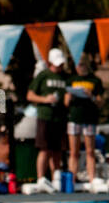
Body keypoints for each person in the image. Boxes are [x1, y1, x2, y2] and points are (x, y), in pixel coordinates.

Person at [27, 48, 68, 185]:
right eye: (57, 64)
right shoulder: (43, 76)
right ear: (50, 62)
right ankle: (41, 178)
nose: (60, 67)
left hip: (60, 118)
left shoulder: (65, 77)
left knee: (57, 150)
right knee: (45, 149)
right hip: (45, 117)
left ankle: (56, 178)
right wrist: (45, 99)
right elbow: (30, 95)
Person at [65, 57, 103, 184]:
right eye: (77, 65)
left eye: (81, 64)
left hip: (89, 118)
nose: (79, 67)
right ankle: (72, 179)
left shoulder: (95, 80)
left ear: (86, 65)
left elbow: (100, 102)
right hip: (75, 118)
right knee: (74, 152)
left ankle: (92, 179)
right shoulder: (71, 80)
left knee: (90, 151)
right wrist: (69, 96)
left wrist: (90, 95)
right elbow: (65, 103)